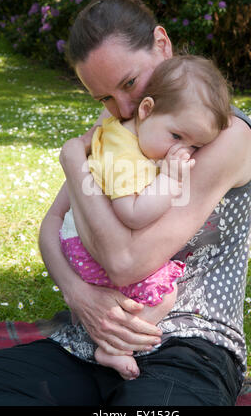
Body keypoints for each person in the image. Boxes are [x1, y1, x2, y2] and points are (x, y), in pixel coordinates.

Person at [0, 0, 251, 406]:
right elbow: (50, 225)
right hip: (87, 342)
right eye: (105, 98)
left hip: (186, 346)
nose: (124, 107)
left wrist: (76, 166)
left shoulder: (224, 137)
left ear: (162, 45)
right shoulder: (123, 122)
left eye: (130, 83)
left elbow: (126, 262)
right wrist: (77, 294)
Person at [59, 54, 231, 380]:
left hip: (85, 239)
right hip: (86, 248)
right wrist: (170, 180)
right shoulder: (122, 154)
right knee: (166, 294)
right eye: (177, 137)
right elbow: (133, 214)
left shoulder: (129, 135)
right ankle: (114, 346)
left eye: (195, 146)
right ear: (147, 110)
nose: (180, 152)